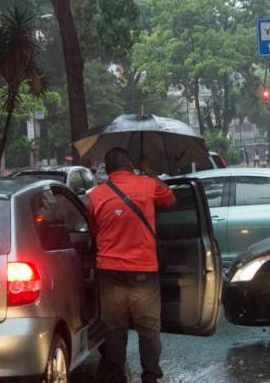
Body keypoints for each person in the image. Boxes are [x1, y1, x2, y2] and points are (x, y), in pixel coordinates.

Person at [87, 148, 176, 383]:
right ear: (128, 163)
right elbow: (170, 199)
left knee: (114, 330)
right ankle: (150, 377)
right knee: (148, 329)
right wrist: (149, 171)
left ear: (108, 169)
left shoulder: (96, 196)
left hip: (109, 272)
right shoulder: (147, 185)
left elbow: (95, 232)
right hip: (143, 272)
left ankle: (116, 376)